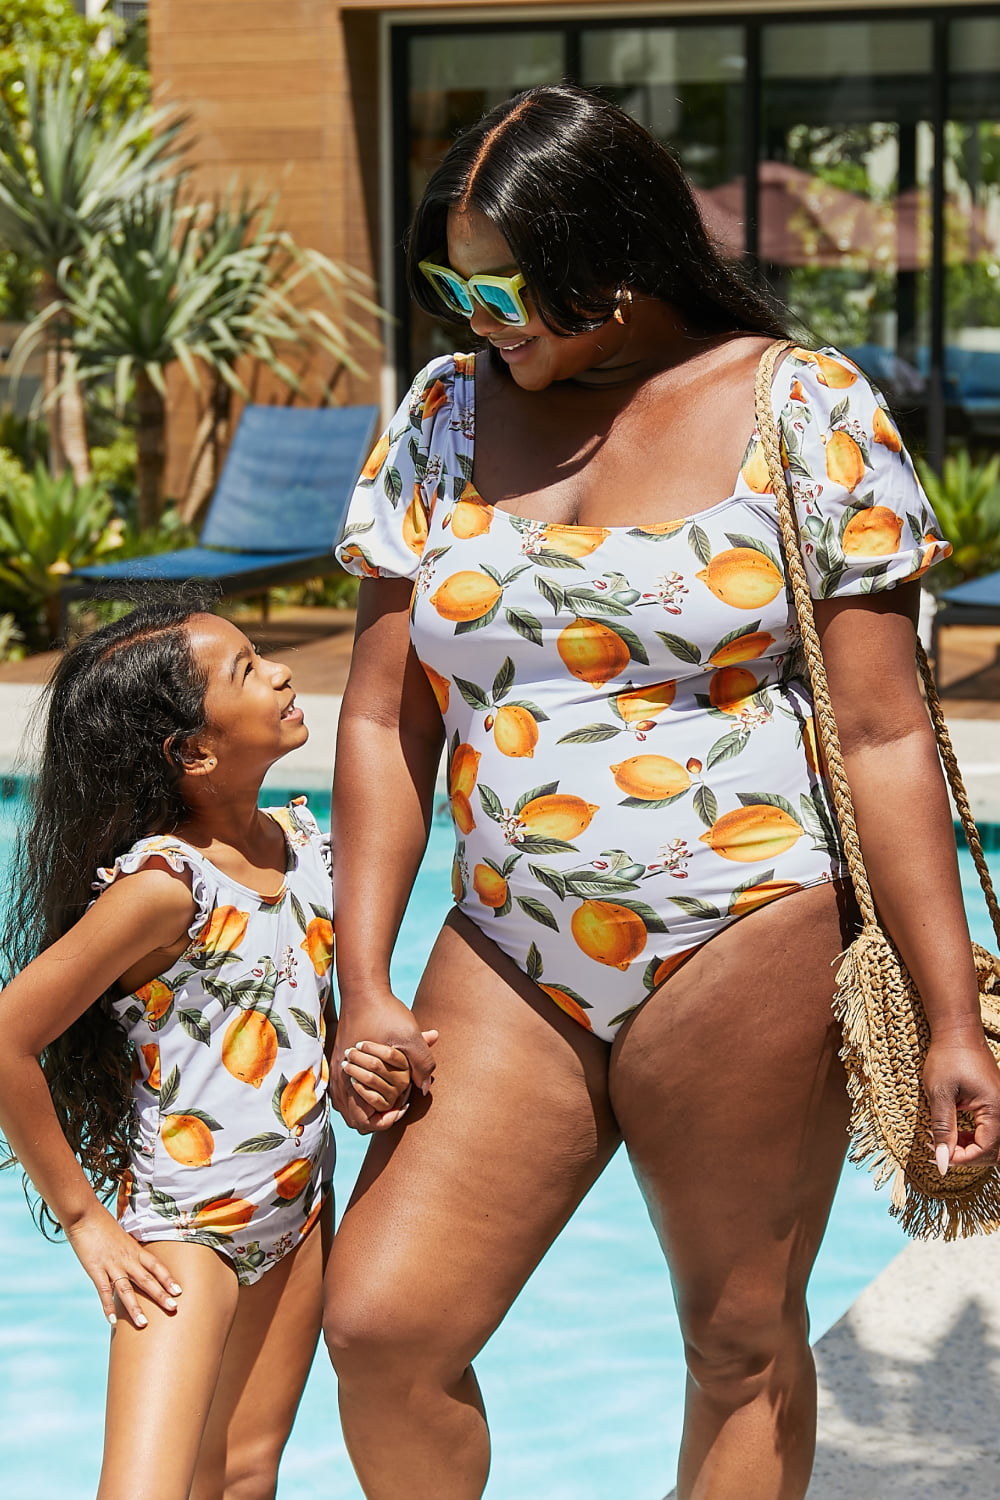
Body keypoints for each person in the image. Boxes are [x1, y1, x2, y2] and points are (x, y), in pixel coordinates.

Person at [325, 83, 1000, 1500]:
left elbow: (881, 735)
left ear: (615, 270)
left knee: (740, 1341)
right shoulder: (445, 415)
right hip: (509, 941)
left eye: (502, 286)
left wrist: (952, 1011)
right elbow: (386, 720)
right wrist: (366, 980)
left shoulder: (796, 404)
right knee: (384, 1322)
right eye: (449, 281)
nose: (472, 315)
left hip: (745, 929)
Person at [0, 597, 427, 1500]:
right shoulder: (165, 888)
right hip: (187, 1231)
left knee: (238, 1476)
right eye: (244, 669)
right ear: (193, 754)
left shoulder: (306, 849)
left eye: (261, 654)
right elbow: (8, 1036)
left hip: (299, 1212)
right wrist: (84, 1220)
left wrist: (367, 1064)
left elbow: (306, 1022)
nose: (277, 672)